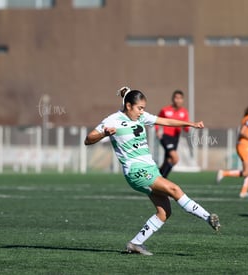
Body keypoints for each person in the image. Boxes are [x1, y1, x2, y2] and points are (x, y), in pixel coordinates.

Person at [84, 87, 220, 256]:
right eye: (139, 108)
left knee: (164, 212)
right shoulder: (112, 120)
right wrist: (104, 133)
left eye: (143, 108)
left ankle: (135, 243)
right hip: (136, 171)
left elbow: (167, 121)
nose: (142, 111)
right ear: (128, 106)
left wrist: (190, 124)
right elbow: (88, 139)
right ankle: (208, 217)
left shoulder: (142, 117)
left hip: (150, 168)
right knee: (174, 189)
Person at [216, 103, 248, 198]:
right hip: (243, 147)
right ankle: (223, 173)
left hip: (245, 147)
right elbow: (242, 131)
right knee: (246, 172)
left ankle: (243, 192)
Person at [155, 90, 189, 178]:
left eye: (180, 98)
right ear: (173, 99)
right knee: (175, 158)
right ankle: (163, 179)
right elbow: (157, 120)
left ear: (183, 100)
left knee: (168, 160)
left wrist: (188, 128)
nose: (178, 100)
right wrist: (157, 131)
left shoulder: (184, 112)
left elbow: (186, 127)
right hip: (165, 136)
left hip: (175, 138)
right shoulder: (165, 110)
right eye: (176, 98)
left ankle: (157, 177)